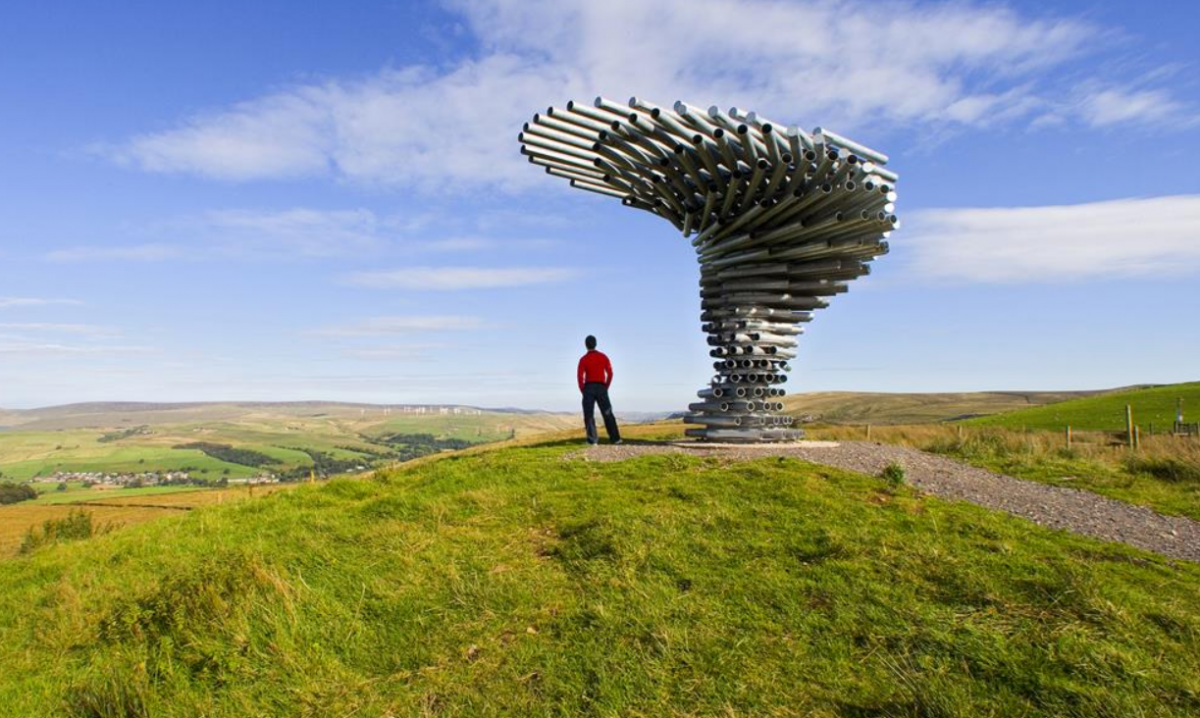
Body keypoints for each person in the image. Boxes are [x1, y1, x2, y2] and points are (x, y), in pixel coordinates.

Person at [577, 335, 621, 445]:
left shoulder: (583, 359)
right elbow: (610, 373)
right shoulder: (603, 357)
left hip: (589, 388)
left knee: (589, 414)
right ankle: (615, 439)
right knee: (608, 413)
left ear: (585, 345)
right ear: (595, 344)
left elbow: (579, 376)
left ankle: (592, 440)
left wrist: (583, 390)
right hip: (601, 387)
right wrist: (606, 387)